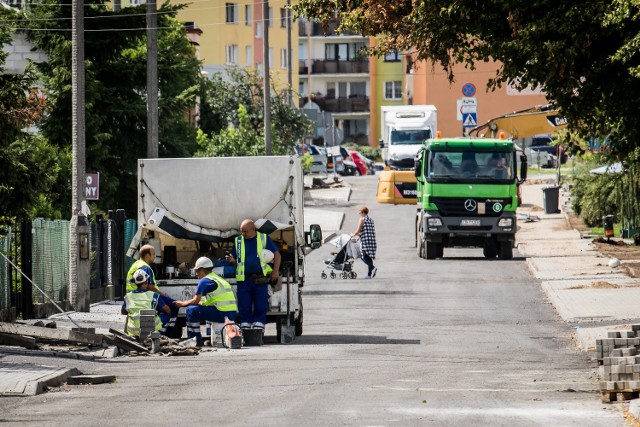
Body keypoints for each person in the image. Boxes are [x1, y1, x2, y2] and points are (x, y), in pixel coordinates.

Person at [225, 219, 280, 330]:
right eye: (242, 231)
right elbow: (236, 259)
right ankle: (245, 325)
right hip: (244, 280)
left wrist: (275, 272)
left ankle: (259, 326)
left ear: (252, 229)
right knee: (244, 305)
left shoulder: (263, 238)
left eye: (245, 231)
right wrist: (231, 260)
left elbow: (277, 255)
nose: (243, 234)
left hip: (260, 279)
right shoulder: (238, 241)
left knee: (261, 305)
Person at [173, 257, 239, 346]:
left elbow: (196, 301)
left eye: (197, 271)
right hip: (231, 314)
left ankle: (194, 339)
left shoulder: (204, 281)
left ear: (201, 270)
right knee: (197, 309)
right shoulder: (217, 278)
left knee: (191, 310)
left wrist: (182, 303)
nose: (196, 274)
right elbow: (206, 301)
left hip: (222, 314)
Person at [126, 244, 178, 336]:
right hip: (145, 295)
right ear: (147, 256)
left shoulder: (136, 264)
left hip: (134, 295)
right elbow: (149, 287)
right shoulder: (145, 267)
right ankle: (165, 333)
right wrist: (162, 294)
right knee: (174, 305)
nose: (155, 256)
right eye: (153, 254)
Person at [121, 269, 170, 339]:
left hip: (133, 332)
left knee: (129, 316)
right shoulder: (154, 295)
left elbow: (123, 312)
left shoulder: (128, 296)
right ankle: (160, 334)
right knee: (166, 313)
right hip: (150, 331)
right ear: (146, 282)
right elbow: (167, 310)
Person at [353, 206, 377, 279]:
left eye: (360, 212)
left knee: (363, 257)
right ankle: (369, 275)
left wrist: (353, 234)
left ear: (363, 212)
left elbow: (358, 230)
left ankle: (373, 268)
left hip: (365, 241)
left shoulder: (362, 219)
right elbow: (368, 230)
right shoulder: (371, 220)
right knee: (369, 257)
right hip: (372, 241)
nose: (359, 213)